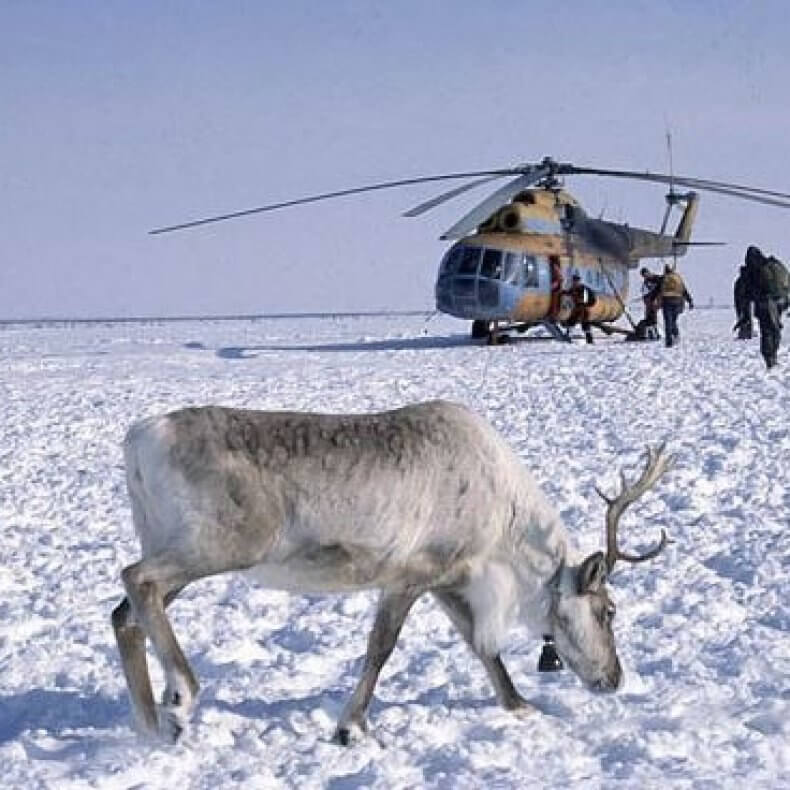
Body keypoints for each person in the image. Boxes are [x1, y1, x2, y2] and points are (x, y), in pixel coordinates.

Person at [741, 245, 790, 368]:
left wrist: (745, 315)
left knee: (767, 331)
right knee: (775, 330)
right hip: (779, 301)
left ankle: (770, 359)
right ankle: (773, 356)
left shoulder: (752, 271)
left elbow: (745, 294)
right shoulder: (773, 265)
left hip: (765, 303)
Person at [659, 263, 694, 347]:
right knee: (673, 321)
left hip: (667, 301)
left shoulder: (664, 278)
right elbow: (684, 291)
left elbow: (657, 290)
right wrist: (690, 301)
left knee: (668, 322)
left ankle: (669, 342)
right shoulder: (678, 279)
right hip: (677, 302)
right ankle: (676, 335)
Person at [563, 273, 596, 344]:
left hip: (584, 309)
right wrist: (563, 292)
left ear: (579, 281)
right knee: (571, 322)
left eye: (576, 281)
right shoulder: (572, 289)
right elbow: (568, 293)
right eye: (573, 281)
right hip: (576, 309)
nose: (574, 283)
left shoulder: (584, 289)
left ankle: (589, 340)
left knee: (585, 324)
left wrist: (587, 304)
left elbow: (591, 299)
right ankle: (567, 336)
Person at [733, 264, 753, 339]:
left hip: (742, 302)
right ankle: (746, 333)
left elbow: (737, 293)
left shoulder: (740, 281)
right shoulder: (746, 280)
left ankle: (745, 333)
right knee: (746, 317)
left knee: (743, 317)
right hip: (745, 302)